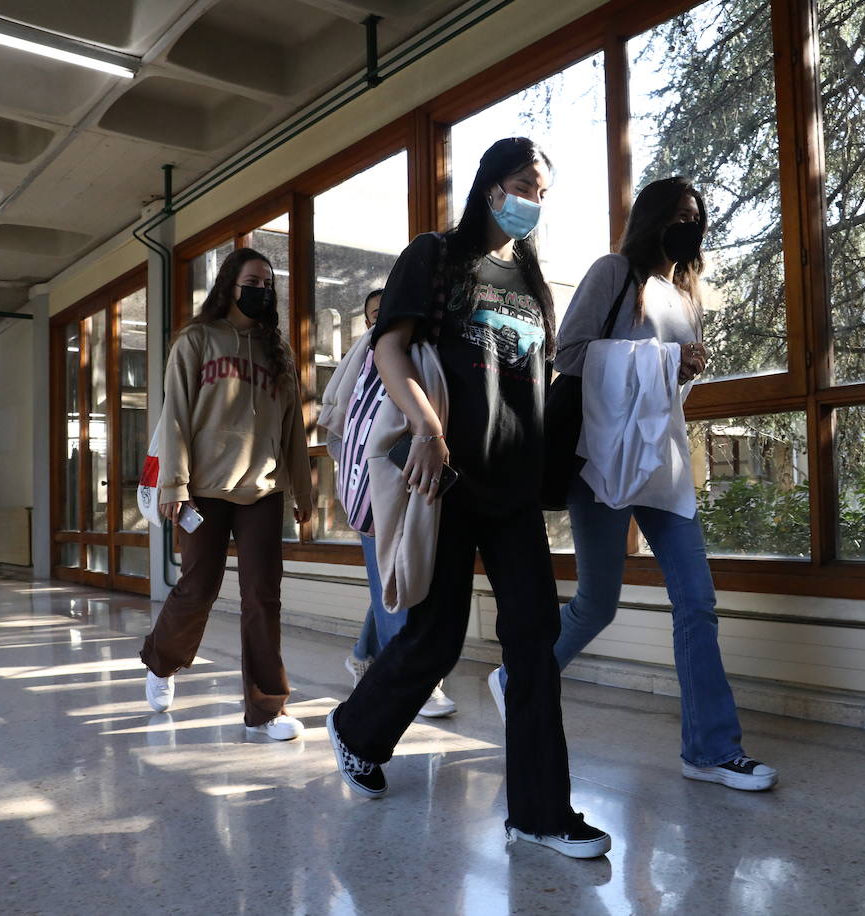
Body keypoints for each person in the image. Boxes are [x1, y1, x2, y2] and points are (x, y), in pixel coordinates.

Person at [326, 137, 612, 860]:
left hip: (513, 487)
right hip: (445, 478)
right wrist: (425, 427)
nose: (533, 202)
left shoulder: (533, 284)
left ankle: (540, 814)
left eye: (542, 192)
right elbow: (392, 347)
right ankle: (358, 729)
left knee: (535, 644)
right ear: (490, 185)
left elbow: (536, 387)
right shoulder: (437, 256)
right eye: (524, 185)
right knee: (436, 636)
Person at [492, 176, 779, 793]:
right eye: (679, 215)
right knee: (598, 603)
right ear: (652, 219)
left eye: (696, 217)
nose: (689, 226)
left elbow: (664, 392)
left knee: (697, 599)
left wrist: (681, 368)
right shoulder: (612, 272)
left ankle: (710, 749)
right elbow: (568, 354)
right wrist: (658, 360)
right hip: (600, 460)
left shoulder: (682, 296)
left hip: (661, 464)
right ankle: (521, 679)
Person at [139, 247, 315, 743]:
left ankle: (267, 710)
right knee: (199, 586)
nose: (262, 289)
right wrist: (174, 482)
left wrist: (302, 489)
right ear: (229, 285)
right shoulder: (197, 340)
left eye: (268, 282)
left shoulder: (276, 351)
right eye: (253, 280)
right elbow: (174, 414)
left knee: (263, 596)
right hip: (203, 489)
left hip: (261, 489)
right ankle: (161, 661)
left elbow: (293, 432)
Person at [344, 288, 456, 719]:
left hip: (417, 479)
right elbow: (348, 421)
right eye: (373, 315)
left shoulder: (428, 349)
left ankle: (361, 656)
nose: (379, 322)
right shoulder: (372, 358)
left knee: (391, 577)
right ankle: (417, 685)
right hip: (378, 484)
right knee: (393, 576)